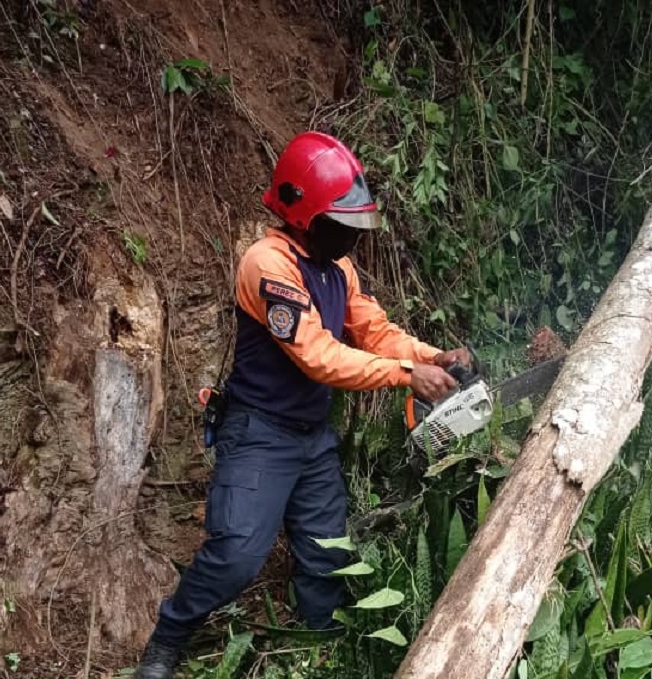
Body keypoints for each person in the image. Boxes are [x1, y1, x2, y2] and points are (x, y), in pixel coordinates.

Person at [134, 131, 469, 679]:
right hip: (259, 431)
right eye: (340, 223)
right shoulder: (267, 263)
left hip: (313, 436)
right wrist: (408, 375)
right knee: (238, 553)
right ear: (304, 215)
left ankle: (317, 648)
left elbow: (373, 331)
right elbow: (316, 355)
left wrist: (435, 355)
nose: (350, 236)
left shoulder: (338, 269)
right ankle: (168, 639)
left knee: (326, 553)